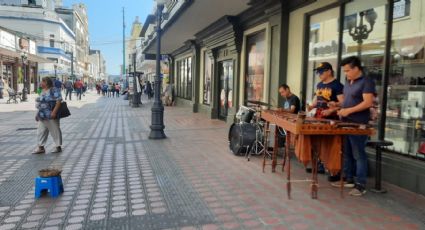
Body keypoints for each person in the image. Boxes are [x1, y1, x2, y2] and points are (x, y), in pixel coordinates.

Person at [333, 56, 376, 196]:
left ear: (356, 68)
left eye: (347, 71)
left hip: (358, 124)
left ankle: (360, 185)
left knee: (359, 154)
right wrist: (337, 105)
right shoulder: (348, 82)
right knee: (347, 152)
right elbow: (348, 101)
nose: (346, 74)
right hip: (345, 122)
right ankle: (349, 179)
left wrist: (348, 110)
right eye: (344, 71)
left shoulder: (366, 82)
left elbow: (367, 102)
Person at [307, 62, 344, 180]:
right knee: (319, 142)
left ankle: (334, 170)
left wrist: (331, 111)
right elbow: (316, 100)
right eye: (318, 72)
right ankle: (321, 165)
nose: (319, 74)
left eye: (321, 72)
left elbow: (343, 103)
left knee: (332, 145)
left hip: (332, 119)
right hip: (319, 118)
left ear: (329, 71)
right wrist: (311, 106)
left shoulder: (337, 85)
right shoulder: (319, 84)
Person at [32, 77, 63, 154]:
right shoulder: (42, 91)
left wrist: (54, 112)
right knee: (41, 131)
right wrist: (37, 114)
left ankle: (58, 146)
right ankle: (41, 147)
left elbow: (59, 100)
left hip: (51, 114)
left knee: (55, 130)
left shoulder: (54, 90)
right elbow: (41, 103)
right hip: (42, 115)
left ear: (46, 82)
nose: (40, 83)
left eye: (42, 81)